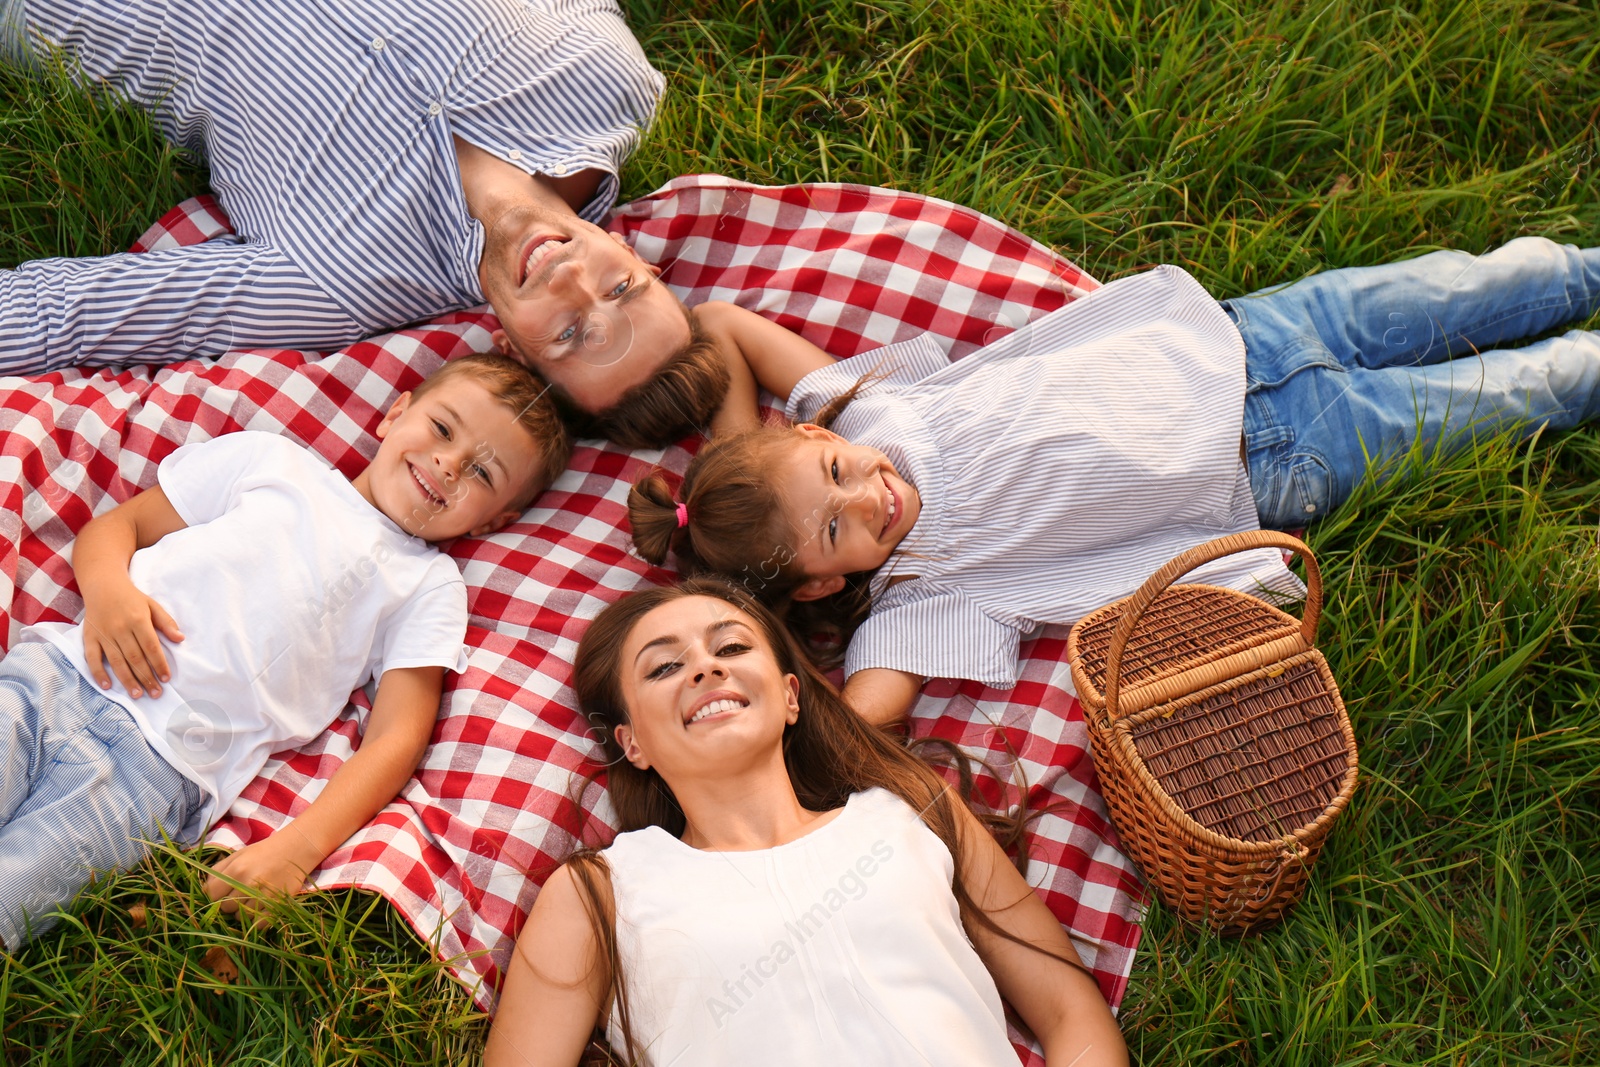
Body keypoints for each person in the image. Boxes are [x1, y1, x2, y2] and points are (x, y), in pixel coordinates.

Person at [629, 236, 1600, 725]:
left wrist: (726, 457)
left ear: (812, 428)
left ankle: (1581, 272)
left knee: (1477, 282)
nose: (866, 495)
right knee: (1527, 390)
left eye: (834, 471)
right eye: (837, 530)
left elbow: (719, 325)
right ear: (818, 584)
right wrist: (738, 623)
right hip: (1278, 461)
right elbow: (858, 712)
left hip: (1240, 332)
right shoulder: (922, 593)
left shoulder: (872, 411)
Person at [0, 353, 568, 949]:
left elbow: (396, 740)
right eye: (443, 430)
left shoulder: (427, 584)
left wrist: (297, 848)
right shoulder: (273, 462)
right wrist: (109, 589)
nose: (449, 466)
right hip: (59, 676)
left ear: (496, 521)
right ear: (395, 413)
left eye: (482, 473)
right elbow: (121, 527)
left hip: (153, 773)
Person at [0, 0, 729, 447]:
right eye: (622, 289)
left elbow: (71, 314)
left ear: (515, 351)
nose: (575, 283)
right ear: (633, 253)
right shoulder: (607, 84)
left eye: (570, 332)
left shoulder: (339, 282)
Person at [481, 576, 1127, 1066]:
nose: (706, 667)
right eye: (665, 666)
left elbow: (1071, 1011)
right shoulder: (601, 893)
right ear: (633, 743)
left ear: (790, 696)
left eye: (730, 645)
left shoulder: (911, 809)